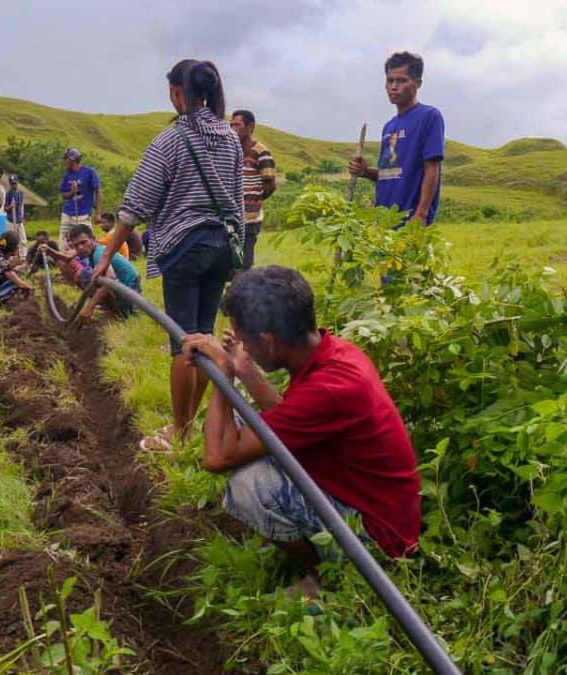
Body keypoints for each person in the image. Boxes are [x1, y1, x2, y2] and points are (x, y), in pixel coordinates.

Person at [181, 266, 421, 599]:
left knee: (249, 486)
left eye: (246, 342)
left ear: (269, 341)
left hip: (378, 541)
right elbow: (289, 416)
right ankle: (316, 549)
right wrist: (247, 371)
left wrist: (225, 374)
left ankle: (329, 577)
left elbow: (217, 456)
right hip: (362, 495)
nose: (242, 349)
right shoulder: (333, 353)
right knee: (238, 425)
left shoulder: (330, 388)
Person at [93, 59, 242, 451]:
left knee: (182, 341)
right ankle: (191, 427)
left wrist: (106, 257)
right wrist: (239, 256)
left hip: (186, 247)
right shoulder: (228, 136)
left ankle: (179, 432)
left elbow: (134, 206)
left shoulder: (172, 139)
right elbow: (238, 202)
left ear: (179, 93)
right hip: (222, 247)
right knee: (204, 336)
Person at [348, 51, 444, 227]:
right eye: (390, 80)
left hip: (409, 223)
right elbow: (391, 174)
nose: (393, 86)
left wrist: (421, 215)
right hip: (383, 222)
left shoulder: (429, 117)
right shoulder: (389, 127)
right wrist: (366, 172)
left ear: (417, 83)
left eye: (401, 80)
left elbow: (432, 169)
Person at [42, 224, 140, 320]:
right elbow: (68, 258)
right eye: (76, 245)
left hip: (128, 291)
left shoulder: (98, 253)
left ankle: (116, 310)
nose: (80, 247)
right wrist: (49, 250)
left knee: (83, 275)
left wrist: (89, 307)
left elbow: (110, 278)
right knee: (83, 275)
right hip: (122, 287)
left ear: (93, 239)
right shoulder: (89, 248)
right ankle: (111, 308)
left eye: (83, 242)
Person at [230, 110, 276, 268]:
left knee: (245, 264)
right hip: (230, 218)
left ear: (250, 126)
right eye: (231, 125)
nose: (233, 128)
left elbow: (270, 185)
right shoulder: (230, 151)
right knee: (227, 264)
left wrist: (253, 201)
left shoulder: (261, 152)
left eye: (237, 125)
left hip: (250, 219)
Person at [59, 148, 101, 252]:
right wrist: (72, 192)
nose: (64, 161)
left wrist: (98, 213)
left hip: (83, 214)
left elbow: (98, 191)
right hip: (68, 213)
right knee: (64, 244)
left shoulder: (89, 172)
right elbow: (64, 195)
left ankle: (91, 264)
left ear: (72, 160)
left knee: (88, 243)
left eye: (66, 159)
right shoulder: (67, 175)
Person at [4, 174, 28, 258]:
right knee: (11, 240)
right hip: (11, 220)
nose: (14, 185)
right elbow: (5, 209)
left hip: (19, 220)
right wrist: (10, 206)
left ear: (18, 182)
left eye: (15, 183)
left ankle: (23, 257)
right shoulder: (8, 194)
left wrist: (22, 217)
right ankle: (11, 257)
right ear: (10, 184)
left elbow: (21, 206)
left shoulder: (21, 193)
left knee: (23, 239)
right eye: (12, 183)